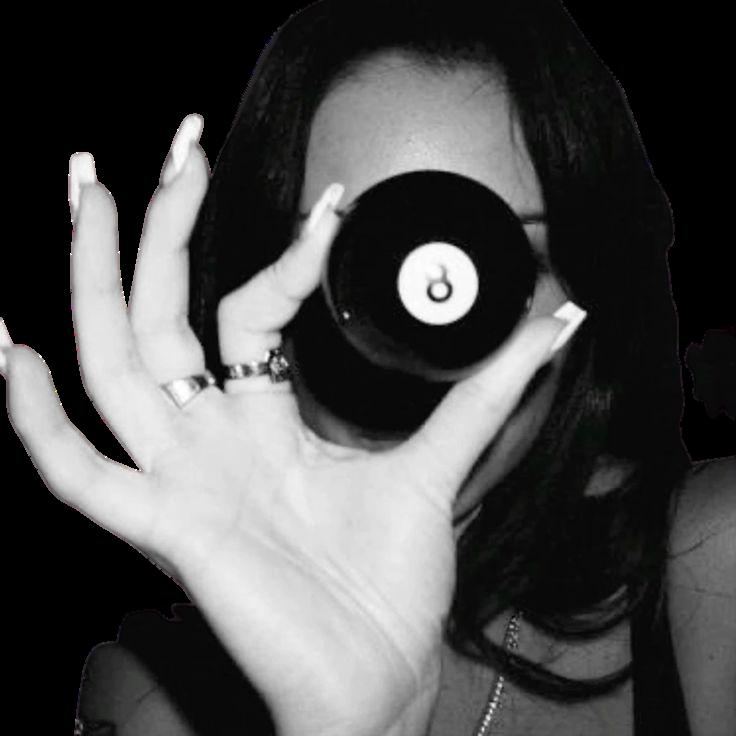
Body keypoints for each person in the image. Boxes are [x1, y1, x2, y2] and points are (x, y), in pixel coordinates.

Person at [1, 1, 733, 734]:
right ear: (256, 289)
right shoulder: (153, 704)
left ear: (586, 296)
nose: (411, 359)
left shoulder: (718, 566)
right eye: (349, 259)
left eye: (493, 263)